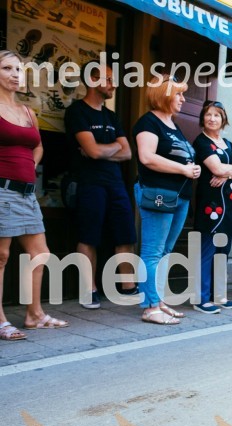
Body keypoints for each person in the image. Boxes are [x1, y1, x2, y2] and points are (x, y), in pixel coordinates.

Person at [0, 50, 68, 340]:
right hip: (2, 190)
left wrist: (30, 165)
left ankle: (34, 314)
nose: (15, 75)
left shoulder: (27, 111)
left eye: (18, 69)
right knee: (1, 256)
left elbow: (37, 146)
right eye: (7, 68)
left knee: (40, 254)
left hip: (27, 193)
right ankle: (1, 320)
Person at [64, 62, 136, 309]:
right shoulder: (77, 112)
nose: (113, 83)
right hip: (89, 182)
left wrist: (104, 150)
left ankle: (127, 287)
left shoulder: (111, 116)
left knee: (125, 232)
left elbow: (127, 153)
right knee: (89, 235)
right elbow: (93, 152)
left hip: (115, 182)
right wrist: (107, 148)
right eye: (107, 78)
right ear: (93, 81)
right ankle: (89, 289)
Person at [133, 74, 199, 325]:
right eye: (179, 94)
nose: (183, 98)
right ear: (164, 94)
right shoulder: (148, 123)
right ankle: (150, 307)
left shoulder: (173, 124)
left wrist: (191, 168)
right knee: (152, 252)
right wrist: (183, 169)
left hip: (179, 195)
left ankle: (157, 299)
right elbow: (147, 157)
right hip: (158, 193)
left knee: (166, 250)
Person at [192, 100, 232, 314]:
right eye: (208, 114)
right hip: (212, 206)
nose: (212, 118)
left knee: (222, 252)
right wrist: (230, 170)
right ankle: (200, 298)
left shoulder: (228, 143)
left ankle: (218, 296)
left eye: (217, 115)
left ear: (223, 119)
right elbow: (214, 167)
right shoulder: (202, 142)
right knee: (207, 249)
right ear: (202, 118)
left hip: (231, 207)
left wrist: (225, 174)